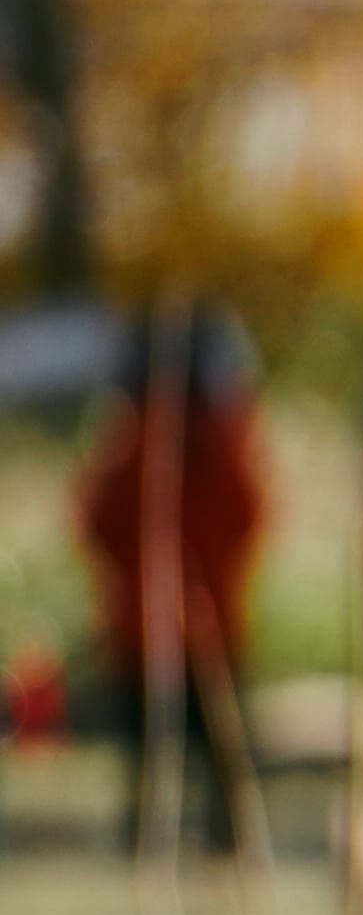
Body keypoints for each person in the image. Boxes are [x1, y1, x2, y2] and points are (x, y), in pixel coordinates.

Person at [71, 301, 272, 858]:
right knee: (191, 747)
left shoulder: (138, 434)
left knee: (194, 749)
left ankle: (185, 838)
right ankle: (176, 838)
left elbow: (95, 521)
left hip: (168, 618)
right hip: (182, 617)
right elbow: (251, 514)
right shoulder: (160, 435)